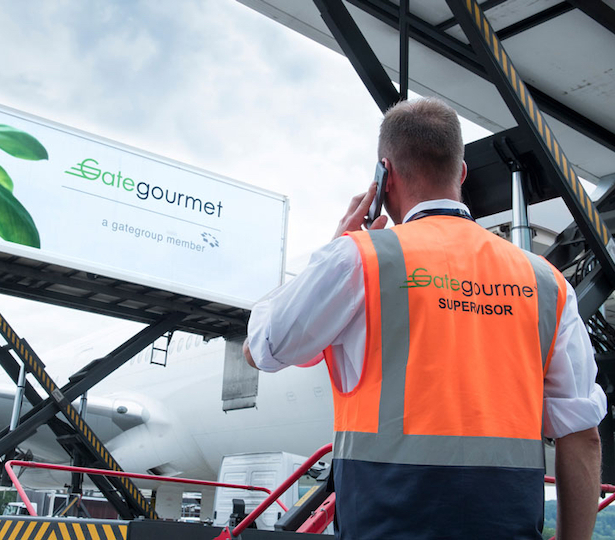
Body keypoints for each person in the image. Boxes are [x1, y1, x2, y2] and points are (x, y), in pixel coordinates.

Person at [244, 97, 606, 539]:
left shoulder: (359, 260)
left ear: (384, 175)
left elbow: (262, 348)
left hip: (385, 526)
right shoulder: (547, 283)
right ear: (462, 173)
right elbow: (582, 436)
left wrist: (335, 246)